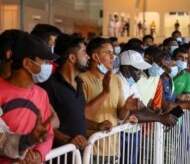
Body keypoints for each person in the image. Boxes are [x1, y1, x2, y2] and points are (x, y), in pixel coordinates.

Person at [40, 34, 111, 151]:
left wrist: (97, 125)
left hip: (78, 154)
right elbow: (44, 125)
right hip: (59, 155)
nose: (88, 57)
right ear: (72, 58)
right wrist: (67, 140)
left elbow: (77, 118)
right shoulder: (49, 85)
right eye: (84, 52)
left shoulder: (79, 82)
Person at [0, 32, 57, 163]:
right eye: (44, 61)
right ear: (27, 63)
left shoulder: (42, 94)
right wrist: (26, 142)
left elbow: (47, 134)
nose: (49, 65)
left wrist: (38, 154)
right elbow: (1, 139)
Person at [80, 37, 139, 162]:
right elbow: (80, 115)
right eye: (108, 53)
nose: (113, 57)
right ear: (95, 57)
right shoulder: (82, 80)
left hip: (113, 148)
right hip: (91, 149)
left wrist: (126, 108)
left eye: (113, 53)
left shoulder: (115, 79)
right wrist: (105, 93)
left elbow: (120, 115)